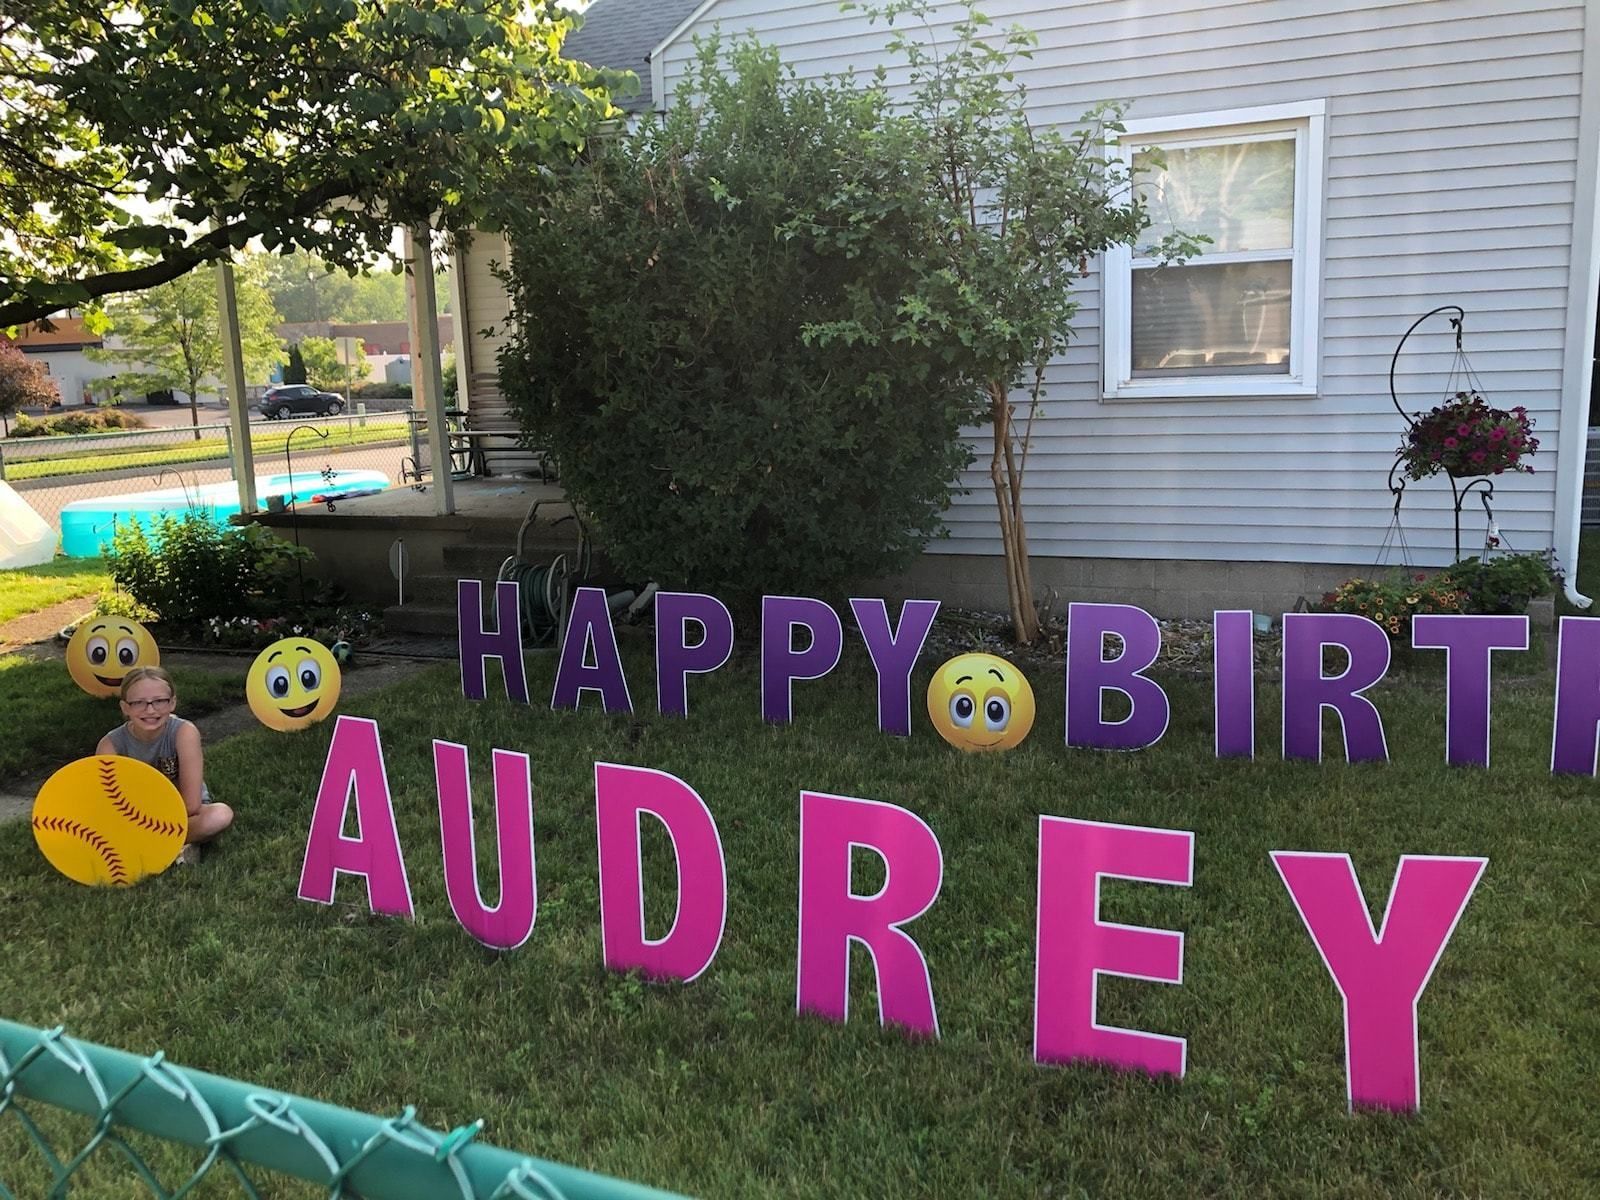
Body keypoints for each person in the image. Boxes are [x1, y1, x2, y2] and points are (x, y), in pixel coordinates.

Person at [96, 665, 233, 863]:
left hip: (183, 815)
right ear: (125, 707)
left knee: (220, 815)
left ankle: (149, 845)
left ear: (172, 703)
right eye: (138, 703)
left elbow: (192, 804)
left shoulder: (183, 732)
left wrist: (153, 826)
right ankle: (177, 846)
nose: (150, 710)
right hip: (132, 818)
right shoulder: (111, 745)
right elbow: (105, 804)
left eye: (159, 701)